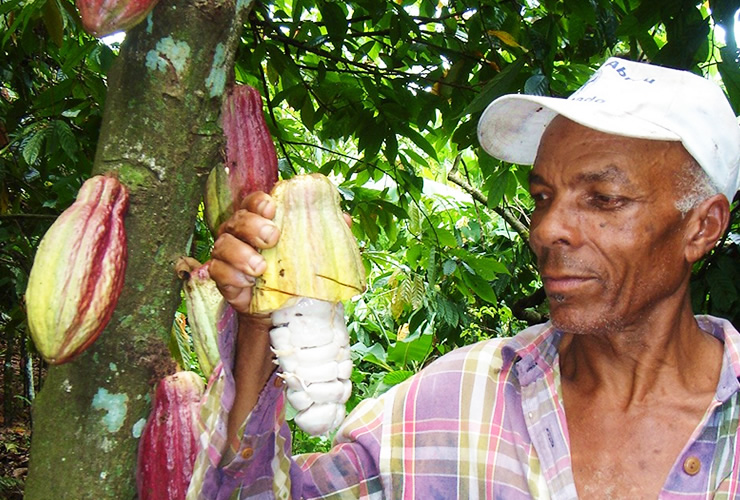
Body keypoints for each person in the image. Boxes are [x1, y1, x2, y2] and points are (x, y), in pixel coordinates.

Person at [186, 58, 740, 499]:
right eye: (543, 197)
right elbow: (247, 494)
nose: (548, 229)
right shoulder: (449, 403)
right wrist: (263, 318)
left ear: (703, 226)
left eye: (604, 199)